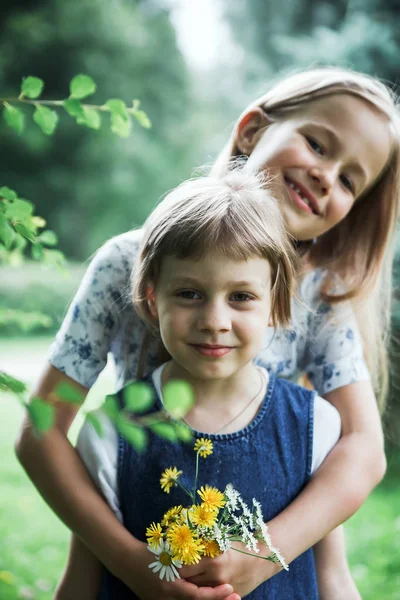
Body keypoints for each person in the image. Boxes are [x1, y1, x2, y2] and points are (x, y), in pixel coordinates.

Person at [15, 67, 399, 599]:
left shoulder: (322, 298)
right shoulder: (127, 262)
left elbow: (362, 448)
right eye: (317, 143)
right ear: (251, 129)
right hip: (147, 504)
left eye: (350, 179)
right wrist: (136, 568)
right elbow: (42, 430)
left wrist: (262, 553)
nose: (325, 175)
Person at [65, 171, 343, 599]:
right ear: (153, 297)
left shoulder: (315, 428)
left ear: (275, 304)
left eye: (241, 297)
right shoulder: (108, 433)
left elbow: (335, 581)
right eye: (190, 294)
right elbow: (80, 585)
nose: (214, 321)